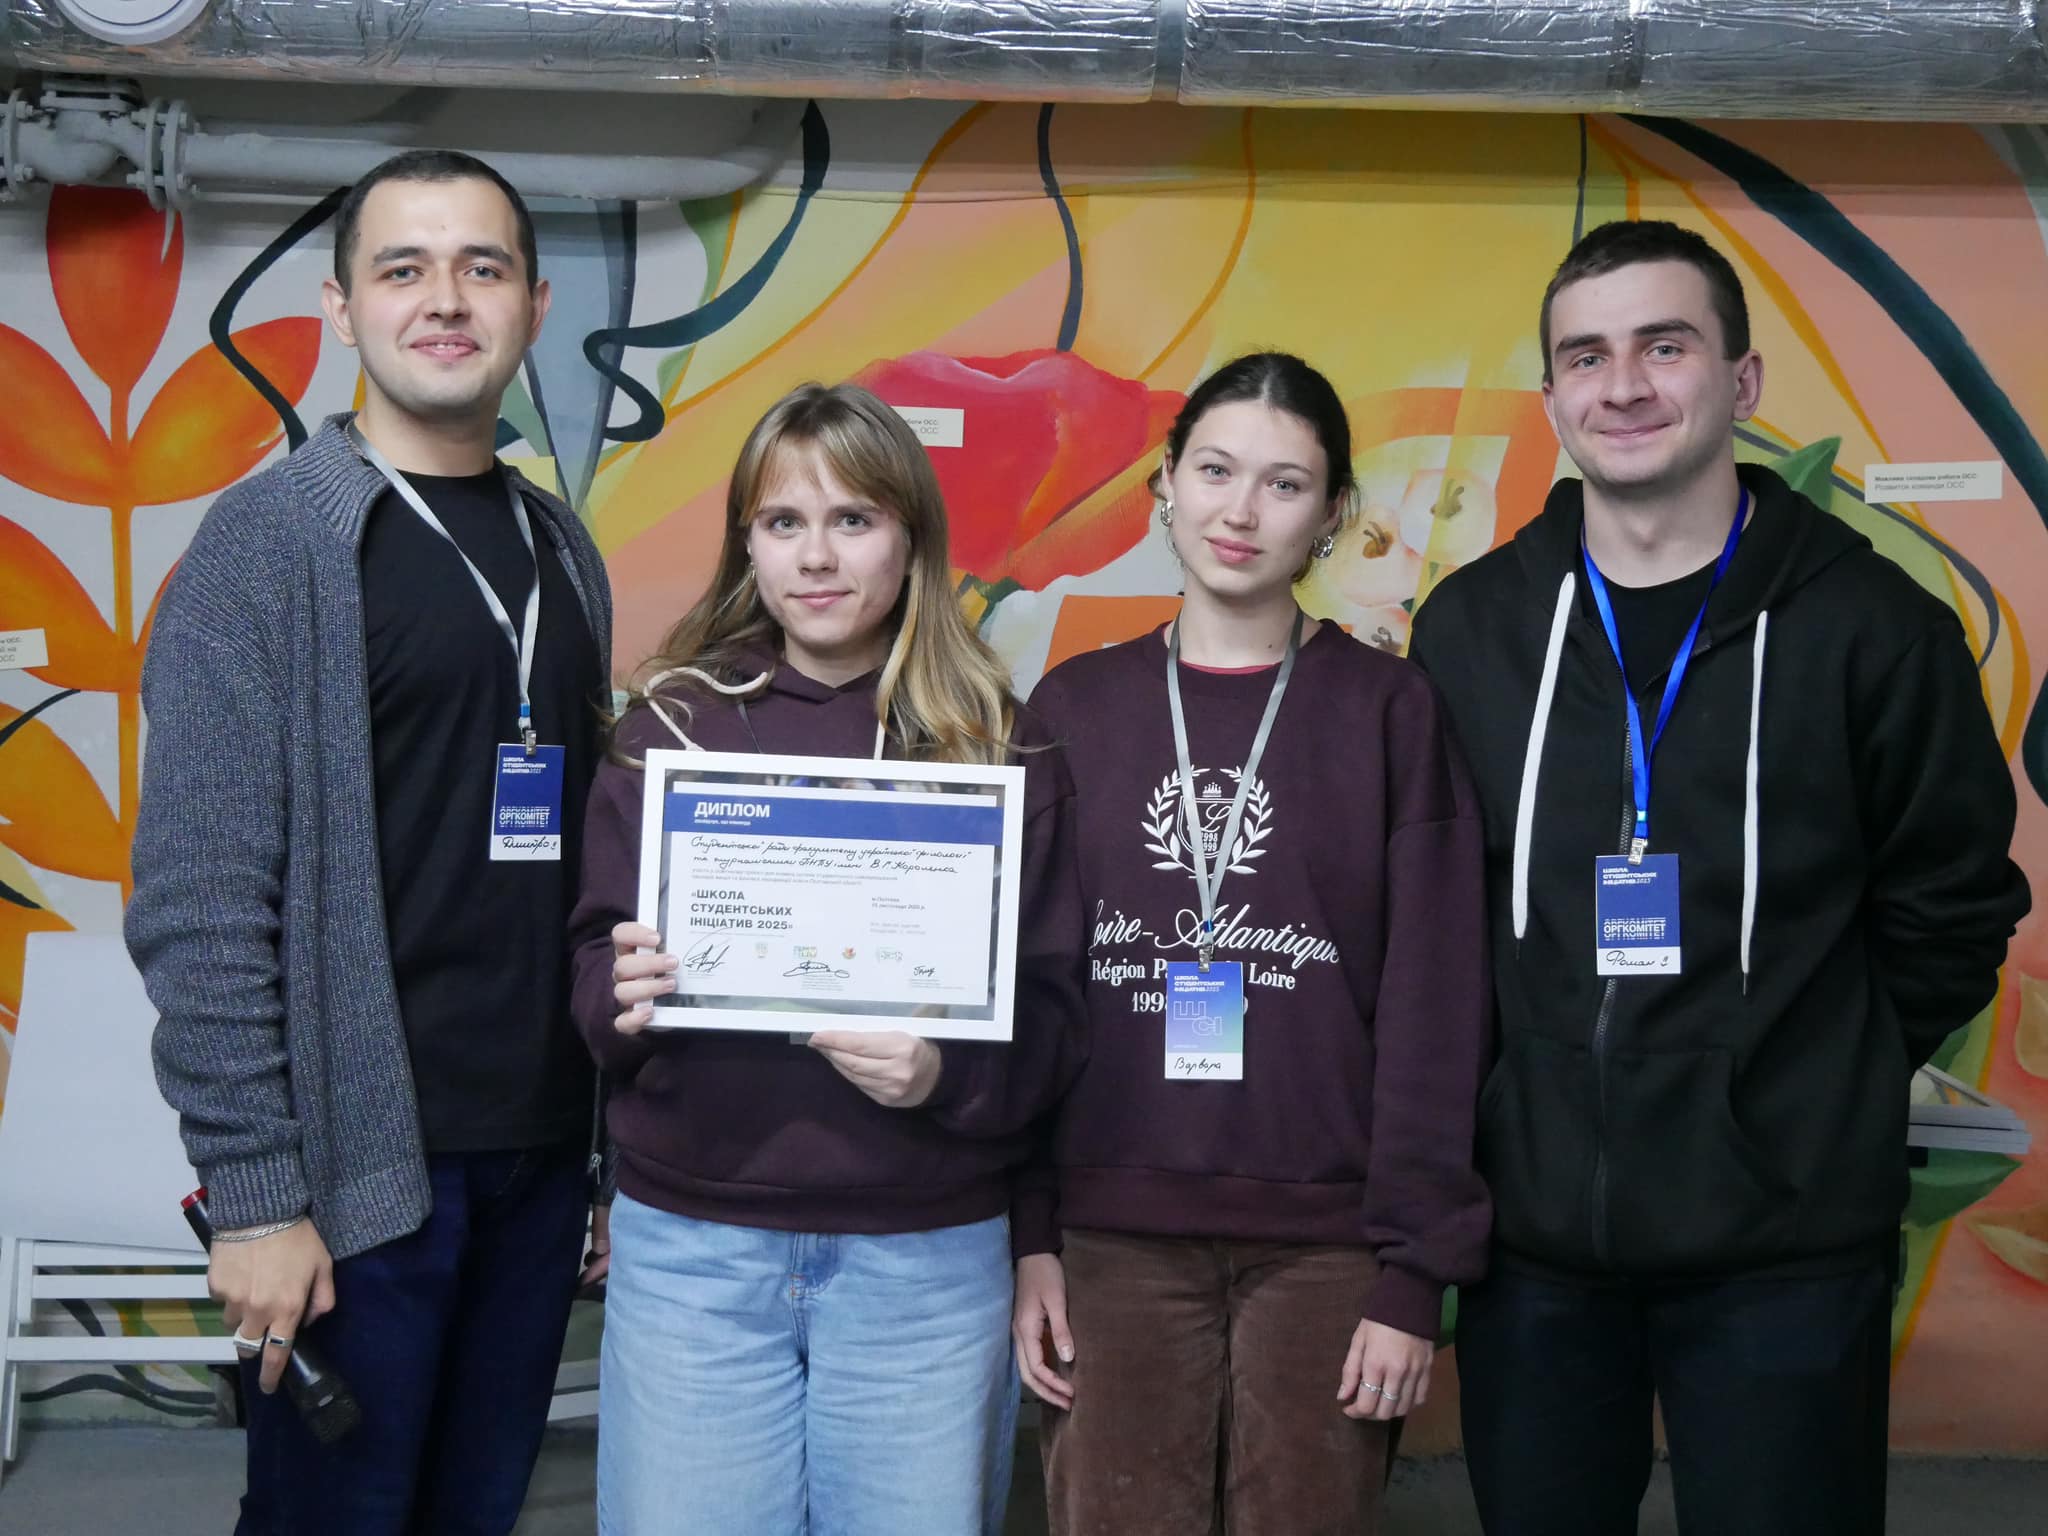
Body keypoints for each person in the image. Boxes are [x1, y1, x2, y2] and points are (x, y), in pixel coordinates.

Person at [1407, 218, 2032, 1535]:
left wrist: (1813, 1086)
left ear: (1741, 381)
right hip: (1534, 1243)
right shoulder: (1471, 630)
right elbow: (1433, 911)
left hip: (1785, 1250)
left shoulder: (1877, 629)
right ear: (1552, 397)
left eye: (1664, 345)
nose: (1622, 385)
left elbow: (1954, 904)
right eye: (1586, 356)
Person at [127, 149, 612, 1535]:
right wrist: (255, 1197)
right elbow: (199, 903)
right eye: (404, 268)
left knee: (475, 1513)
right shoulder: (269, 545)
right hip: (357, 1176)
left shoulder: (560, 546)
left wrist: (598, 1156)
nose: (444, 299)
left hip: (535, 1157)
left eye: (481, 267)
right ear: (344, 309)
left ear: (532, 304)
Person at [568, 381, 1087, 1536]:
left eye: (852, 519)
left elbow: (1056, 1018)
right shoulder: (670, 729)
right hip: (695, 1253)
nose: (816, 556)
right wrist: (618, 994)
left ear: (911, 537)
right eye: (782, 522)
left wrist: (943, 1073)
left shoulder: (996, 746)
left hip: (925, 1257)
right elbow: (588, 972)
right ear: (745, 542)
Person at [1011, 352, 1493, 1536]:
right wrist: (1029, 1237)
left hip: (1328, 1244)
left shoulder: (1388, 711)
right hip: (1109, 1232)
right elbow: (1026, 991)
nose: (1240, 511)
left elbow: (1436, 1006)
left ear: (1331, 513)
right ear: (1164, 486)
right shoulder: (1073, 707)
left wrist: (1412, 1270)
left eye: (1283, 484)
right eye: (1215, 471)